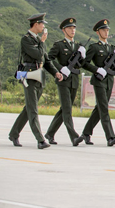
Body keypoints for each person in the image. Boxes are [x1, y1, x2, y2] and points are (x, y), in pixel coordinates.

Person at [9, 13, 64, 149]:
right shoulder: (26, 39)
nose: (43, 27)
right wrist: (42, 42)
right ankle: (40, 140)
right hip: (28, 76)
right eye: (42, 24)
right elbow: (37, 54)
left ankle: (14, 133)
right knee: (33, 109)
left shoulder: (38, 40)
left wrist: (56, 72)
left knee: (29, 108)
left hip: (39, 76)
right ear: (36, 24)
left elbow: (45, 60)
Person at [45, 18, 86, 146]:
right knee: (67, 109)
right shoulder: (59, 45)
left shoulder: (78, 46)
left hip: (74, 80)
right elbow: (48, 59)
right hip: (63, 80)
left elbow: (81, 65)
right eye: (69, 28)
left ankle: (50, 133)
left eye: (74, 28)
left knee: (64, 109)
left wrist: (83, 56)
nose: (72, 30)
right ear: (64, 30)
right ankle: (74, 136)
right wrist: (60, 68)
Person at [80, 19, 115, 146]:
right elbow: (84, 63)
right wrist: (97, 69)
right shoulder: (94, 47)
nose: (106, 32)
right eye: (104, 30)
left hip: (109, 81)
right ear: (98, 32)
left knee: (99, 108)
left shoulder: (112, 48)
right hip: (98, 80)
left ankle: (86, 133)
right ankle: (110, 137)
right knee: (104, 108)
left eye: (107, 30)